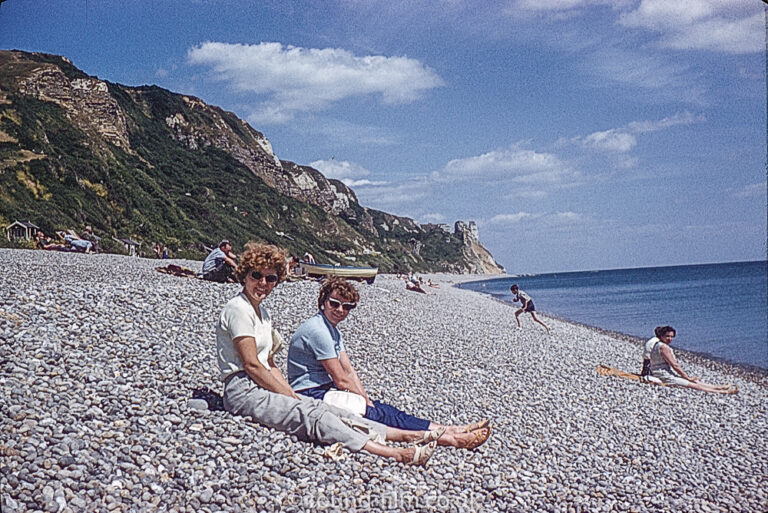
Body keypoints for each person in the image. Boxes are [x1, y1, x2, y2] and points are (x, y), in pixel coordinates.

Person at [217, 243, 439, 465]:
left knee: (330, 409)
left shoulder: (262, 313)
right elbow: (252, 365)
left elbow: (270, 363)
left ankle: (407, 435)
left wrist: (289, 393)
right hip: (243, 391)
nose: (263, 283)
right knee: (313, 416)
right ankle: (392, 453)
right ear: (244, 275)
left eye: (271, 278)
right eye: (256, 275)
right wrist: (290, 397)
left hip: (261, 383)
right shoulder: (239, 309)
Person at [287, 277, 492, 450]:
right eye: (335, 303)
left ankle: (448, 429)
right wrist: (366, 404)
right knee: (375, 414)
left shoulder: (332, 329)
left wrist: (366, 398)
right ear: (323, 302)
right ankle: (450, 439)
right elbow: (341, 379)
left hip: (323, 388)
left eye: (347, 306)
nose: (340, 310)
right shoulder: (318, 331)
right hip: (309, 394)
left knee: (383, 409)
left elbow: (349, 371)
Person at [642, 326, 737, 394]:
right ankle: (724, 392)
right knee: (693, 385)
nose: (670, 339)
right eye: (667, 336)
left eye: (671, 336)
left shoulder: (656, 344)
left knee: (694, 381)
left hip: (662, 371)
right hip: (662, 374)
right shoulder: (664, 347)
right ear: (661, 336)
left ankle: (718, 387)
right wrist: (687, 377)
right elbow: (675, 365)